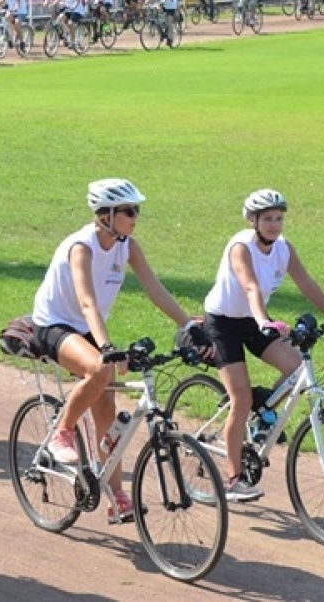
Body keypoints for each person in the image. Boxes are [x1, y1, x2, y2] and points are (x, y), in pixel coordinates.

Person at [31, 179, 207, 523]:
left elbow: (155, 290)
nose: (135, 217)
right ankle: (62, 432)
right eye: (129, 211)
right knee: (99, 370)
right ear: (106, 215)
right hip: (55, 324)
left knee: (107, 413)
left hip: (88, 328)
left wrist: (188, 325)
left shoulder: (127, 246)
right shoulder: (82, 246)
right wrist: (107, 347)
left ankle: (115, 494)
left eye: (136, 210)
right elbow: (86, 301)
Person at [198, 189, 324, 501]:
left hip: (256, 320)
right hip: (223, 323)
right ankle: (234, 477)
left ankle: (263, 412)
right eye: (267, 219)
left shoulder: (283, 249)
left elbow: (306, 283)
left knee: (296, 368)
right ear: (253, 220)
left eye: (279, 218)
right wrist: (263, 321)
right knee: (240, 398)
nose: (274, 224)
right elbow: (251, 286)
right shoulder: (241, 247)